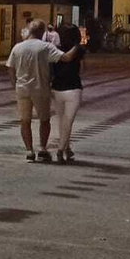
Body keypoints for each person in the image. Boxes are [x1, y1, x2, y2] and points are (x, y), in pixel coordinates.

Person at [7, 20, 83, 162]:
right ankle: (42, 149)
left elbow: (10, 68)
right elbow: (66, 58)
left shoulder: (17, 48)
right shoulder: (45, 47)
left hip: (22, 89)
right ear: (42, 32)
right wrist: (77, 46)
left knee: (25, 121)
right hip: (40, 88)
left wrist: (15, 84)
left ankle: (29, 151)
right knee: (44, 120)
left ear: (29, 31)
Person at [50, 23, 85, 163]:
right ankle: (60, 150)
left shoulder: (54, 49)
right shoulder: (79, 50)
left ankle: (67, 148)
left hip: (56, 88)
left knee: (61, 121)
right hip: (73, 88)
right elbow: (82, 69)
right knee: (68, 120)